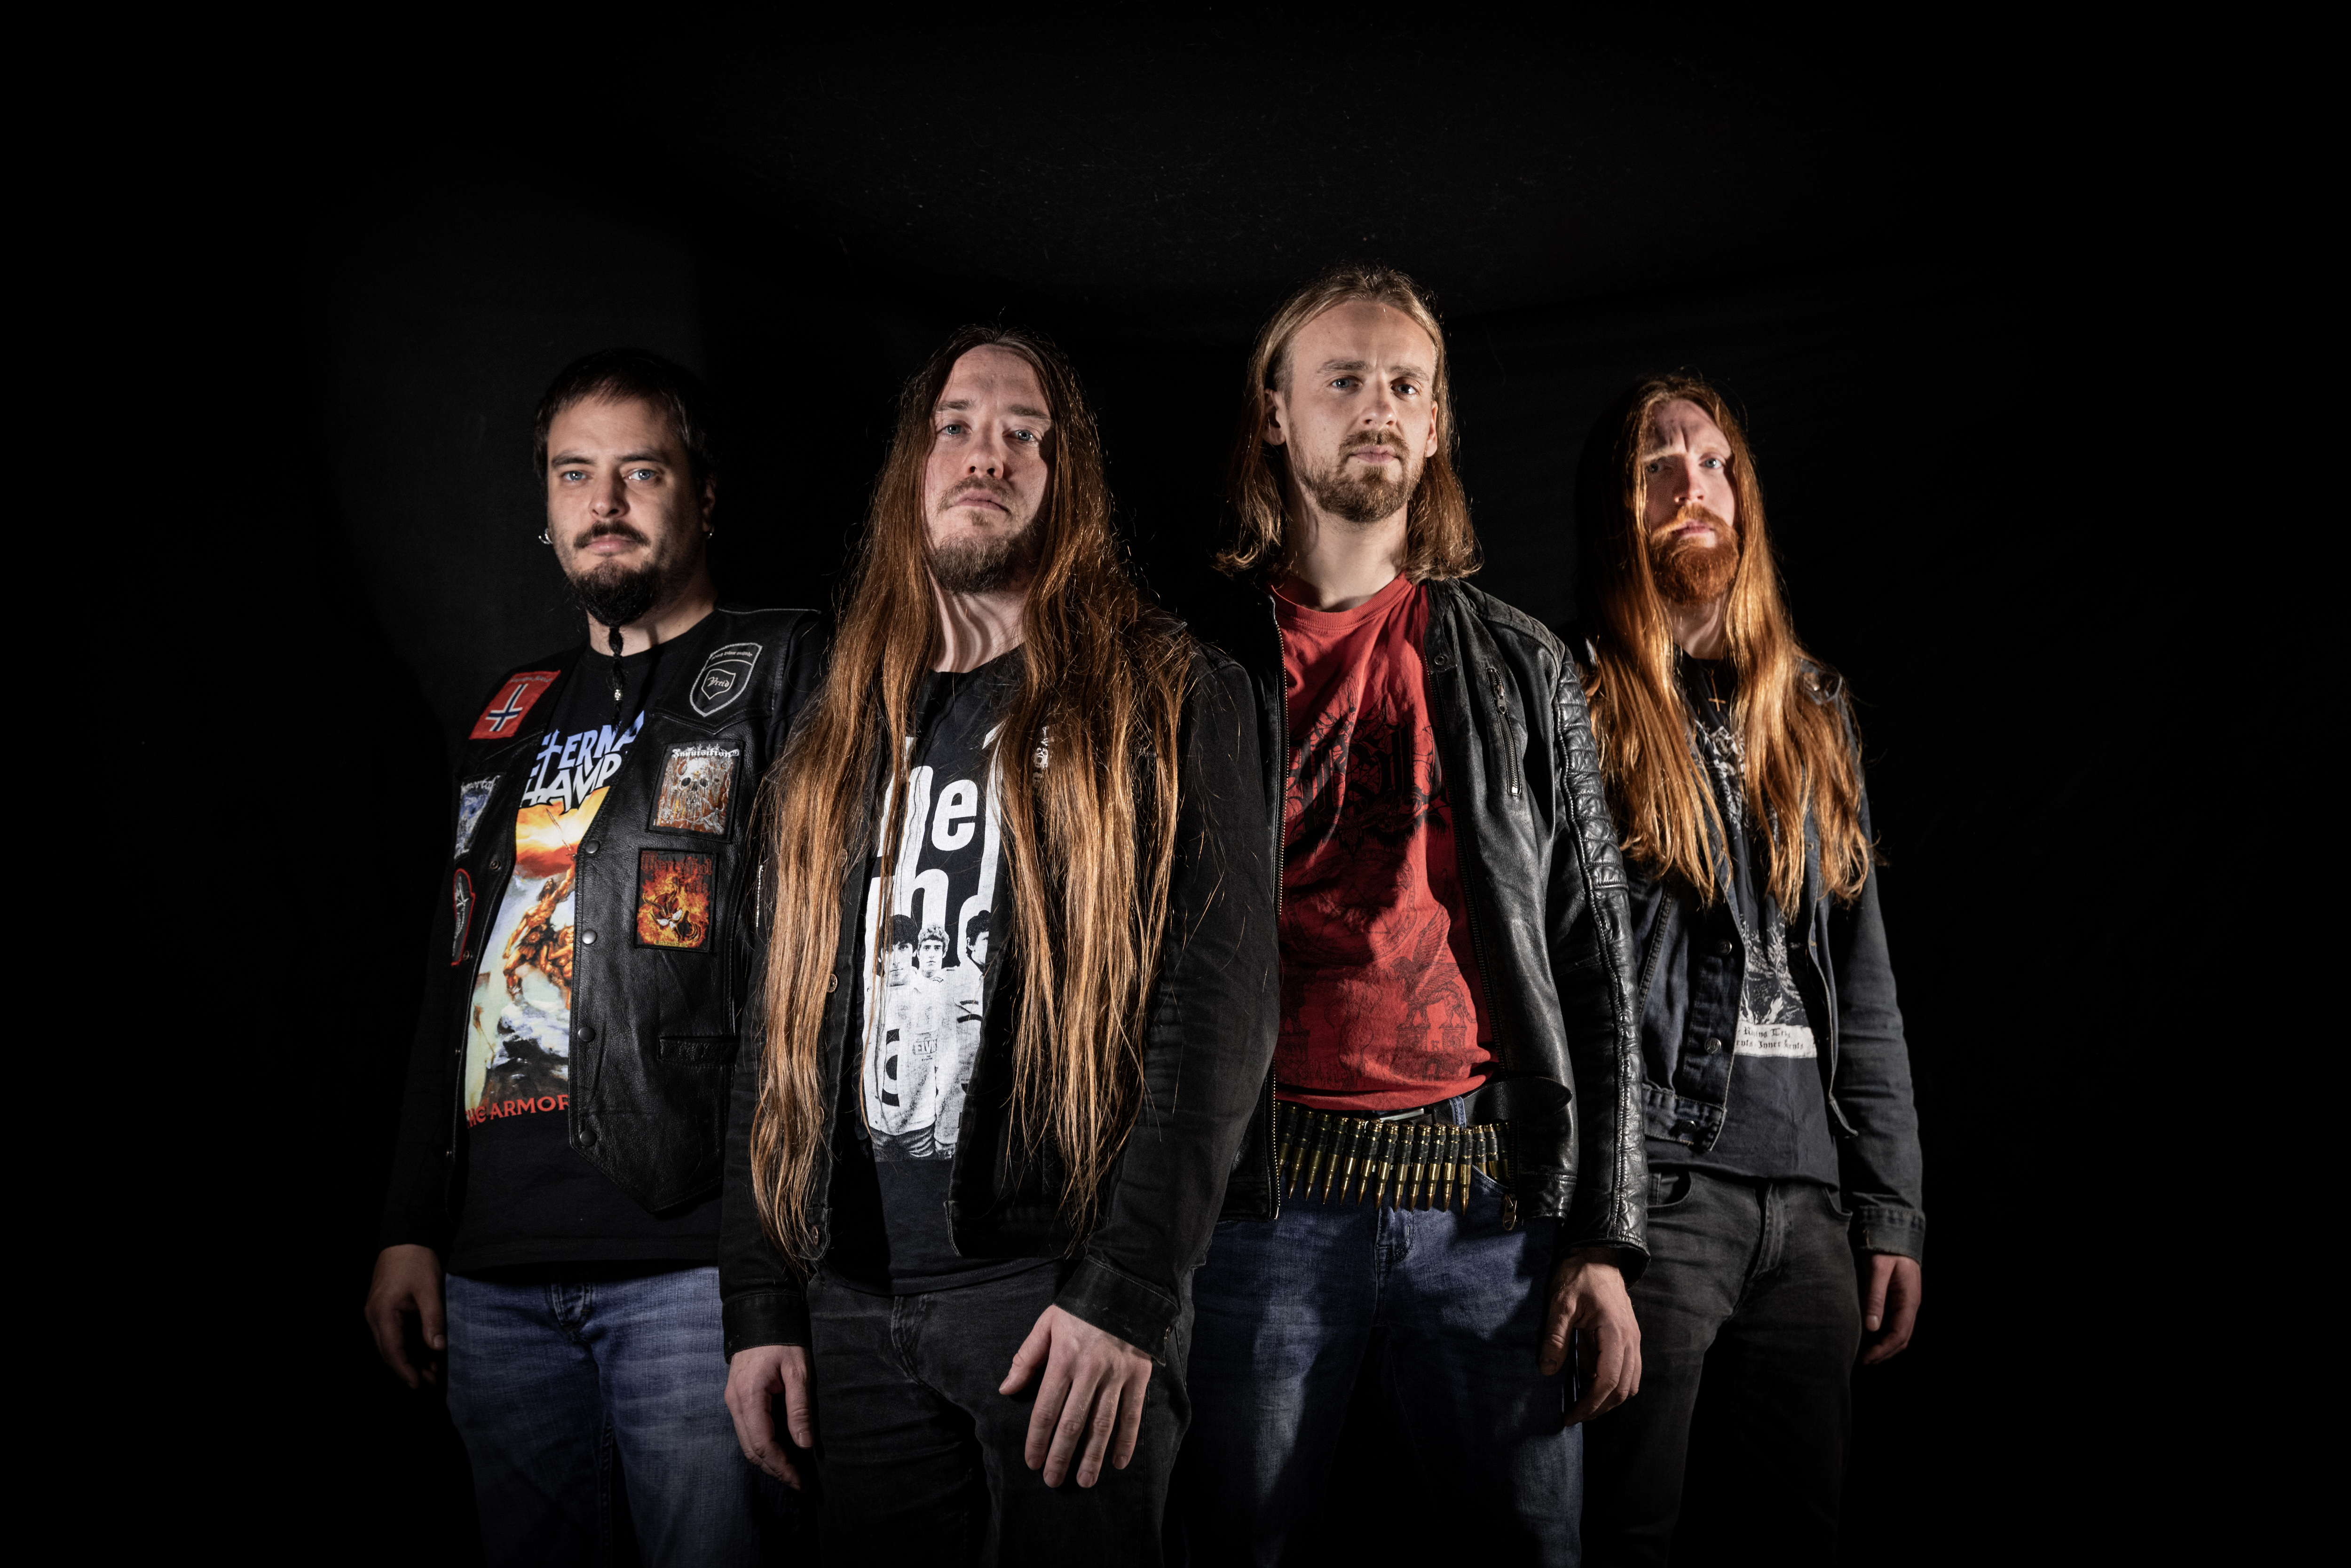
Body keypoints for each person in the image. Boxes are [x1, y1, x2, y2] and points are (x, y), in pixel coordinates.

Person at [719, 326, 1277, 1565]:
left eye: (1027, 434)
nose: (989, 455)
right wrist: (758, 1298)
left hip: (1052, 1297)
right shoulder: (835, 727)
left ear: (1070, 483)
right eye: (958, 427)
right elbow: (773, 1025)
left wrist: (1127, 1293)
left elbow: (1220, 1009)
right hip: (853, 1302)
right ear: (912, 472)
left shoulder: (1167, 692)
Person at [1177, 264, 1649, 1567]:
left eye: (1404, 384)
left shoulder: (1520, 663)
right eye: (1344, 379)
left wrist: (1606, 1237)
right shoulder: (1186, 660)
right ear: (1276, 413)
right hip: (1257, 1209)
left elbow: (1596, 955)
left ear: (1436, 426)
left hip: (1491, 1218)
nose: (1377, 405)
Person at [363, 349, 822, 1565]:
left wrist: (767, 1278)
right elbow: (452, 976)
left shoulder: (786, 670)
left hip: (687, 1258)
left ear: (703, 494)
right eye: (575, 475)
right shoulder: (508, 712)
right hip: (491, 1277)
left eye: (640, 472)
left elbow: (809, 980)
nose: (603, 503)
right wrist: (412, 1224)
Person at [1565, 375, 1925, 1564]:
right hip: (1659, 1190)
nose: (1694, 488)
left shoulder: (1811, 710)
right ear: (1618, 507)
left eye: (1714, 464)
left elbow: (1863, 982)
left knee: (1795, 1533)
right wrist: (1592, 1226)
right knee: (1624, 1529)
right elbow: (1560, 982)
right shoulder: (1577, 703)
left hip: (1811, 1202)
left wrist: (1890, 1207)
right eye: (1658, 469)